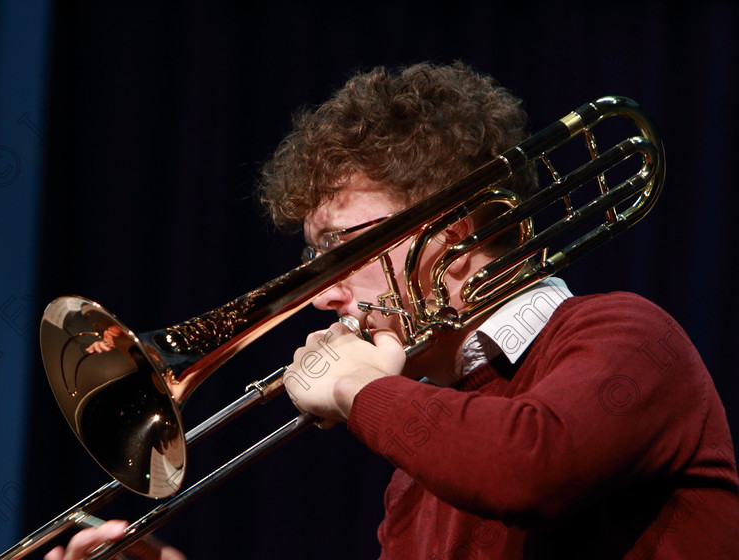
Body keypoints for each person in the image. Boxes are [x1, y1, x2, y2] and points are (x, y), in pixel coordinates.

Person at [48, 61, 739, 559]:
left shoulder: (630, 338)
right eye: (312, 264)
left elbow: (531, 468)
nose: (322, 295)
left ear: (463, 230)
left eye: (344, 254)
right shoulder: (421, 463)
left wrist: (359, 388)